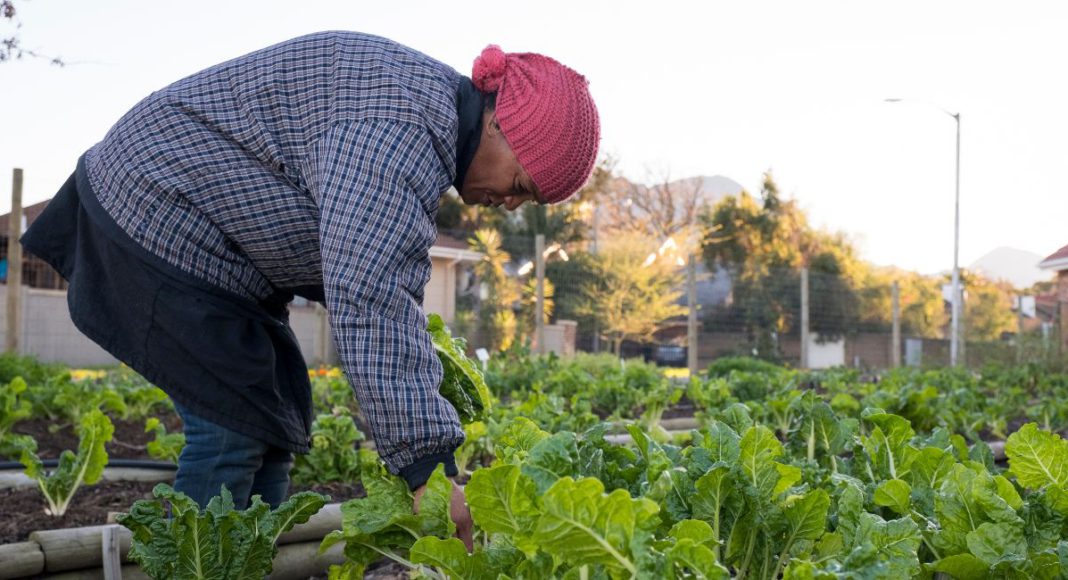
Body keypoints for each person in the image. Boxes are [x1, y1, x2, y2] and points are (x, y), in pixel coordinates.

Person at [20, 31, 599, 546]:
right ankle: (191, 564)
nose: (512, 203)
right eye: (521, 183)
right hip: (154, 211)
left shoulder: (419, 116)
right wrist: (427, 466)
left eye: (530, 200)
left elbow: (377, 270)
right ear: (499, 122)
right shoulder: (397, 127)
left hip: (215, 253)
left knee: (267, 427)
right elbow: (369, 293)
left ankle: (246, 561)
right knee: (229, 426)